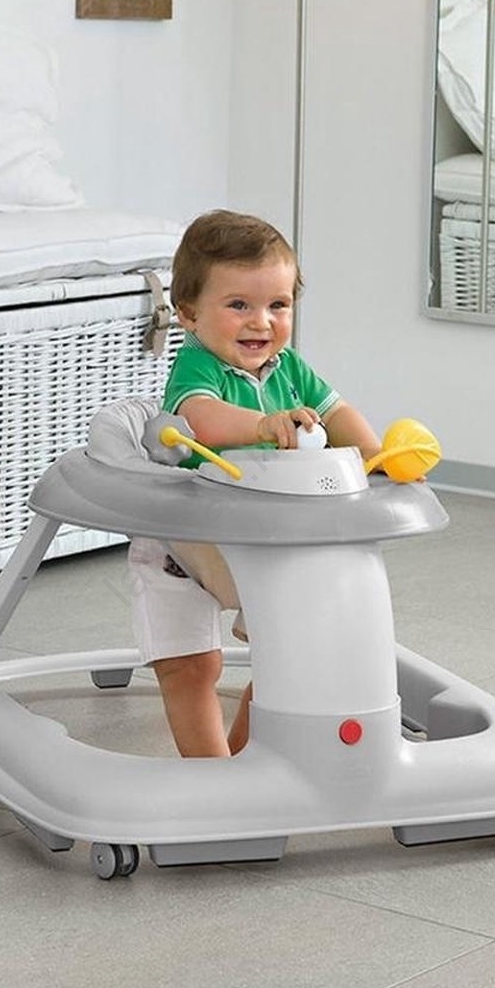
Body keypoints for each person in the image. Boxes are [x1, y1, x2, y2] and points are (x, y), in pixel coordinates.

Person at [128, 209, 383, 759]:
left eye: (278, 305)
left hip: (263, 543)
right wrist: (263, 425)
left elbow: (339, 414)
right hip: (184, 543)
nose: (261, 323)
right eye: (239, 305)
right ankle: (211, 775)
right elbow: (202, 419)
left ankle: (245, 761)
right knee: (191, 666)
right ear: (189, 313)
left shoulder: (289, 368)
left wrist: (377, 456)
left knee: (289, 658)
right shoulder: (199, 366)